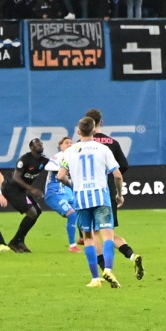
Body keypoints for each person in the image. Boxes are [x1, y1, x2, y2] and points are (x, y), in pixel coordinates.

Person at [59, 115, 125, 289]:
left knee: (88, 238)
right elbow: (117, 175)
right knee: (107, 234)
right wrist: (119, 194)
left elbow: (60, 176)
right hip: (101, 197)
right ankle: (108, 269)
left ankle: (95, 278)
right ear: (94, 129)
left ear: (79, 131)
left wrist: (73, 185)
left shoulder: (70, 151)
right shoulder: (103, 148)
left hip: (81, 199)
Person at [85, 107, 144, 280]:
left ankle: (105, 270)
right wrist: (118, 190)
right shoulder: (112, 143)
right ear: (100, 123)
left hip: (89, 192)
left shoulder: (82, 145)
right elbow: (122, 167)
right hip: (108, 191)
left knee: (93, 234)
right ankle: (132, 255)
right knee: (108, 233)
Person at [5, 137, 50, 253]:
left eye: (41, 144)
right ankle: (14, 242)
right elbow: (16, 177)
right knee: (32, 213)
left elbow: (55, 166)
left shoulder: (43, 160)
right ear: (31, 148)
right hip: (11, 189)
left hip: (21, 191)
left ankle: (20, 241)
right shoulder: (24, 159)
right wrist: (32, 189)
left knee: (38, 211)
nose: (41, 146)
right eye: (37, 145)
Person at [43, 136, 81, 250]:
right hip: (54, 193)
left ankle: (83, 238)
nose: (69, 144)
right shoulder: (58, 156)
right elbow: (48, 167)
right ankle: (72, 245)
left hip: (68, 191)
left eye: (71, 143)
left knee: (80, 212)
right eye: (66, 143)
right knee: (72, 214)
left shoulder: (74, 157)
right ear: (61, 146)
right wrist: (65, 168)